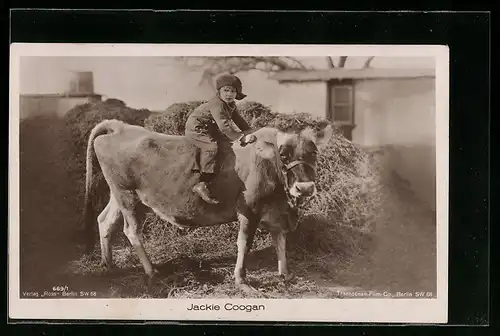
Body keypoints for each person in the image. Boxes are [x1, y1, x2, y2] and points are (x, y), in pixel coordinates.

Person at [185, 73, 257, 204]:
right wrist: (241, 138)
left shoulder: (230, 105)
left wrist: (249, 131)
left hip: (211, 128)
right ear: (219, 92)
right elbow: (224, 126)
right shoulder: (217, 104)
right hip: (197, 128)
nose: (229, 94)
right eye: (225, 90)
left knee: (226, 144)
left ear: (237, 93)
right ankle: (202, 182)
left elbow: (238, 120)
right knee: (212, 147)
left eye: (233, 91)